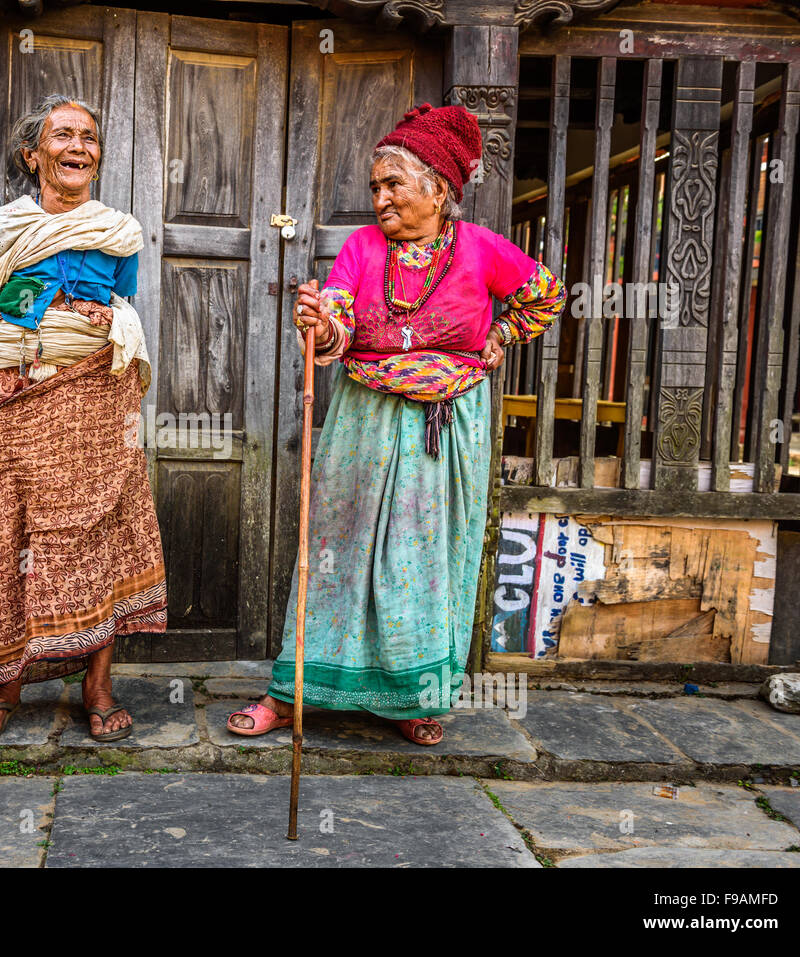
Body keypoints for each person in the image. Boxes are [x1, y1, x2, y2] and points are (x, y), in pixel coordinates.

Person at [227, 103, 565, 745]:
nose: (379, 198)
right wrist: (317, 321)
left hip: (447, 427)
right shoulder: (361, 247)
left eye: (393, 185)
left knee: (422, 558)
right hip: (366, 421)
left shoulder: (481, 249)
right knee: (338, 550)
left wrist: (498, 337)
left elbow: (544, 295)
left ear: (439, 190)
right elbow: (339, 316)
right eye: (375, 185)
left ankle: (413, 697)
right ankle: (294, 691)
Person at [0, 94, 167, 742]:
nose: (79, 147)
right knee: (19, 531)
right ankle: (12, 675)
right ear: (33, 154)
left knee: (100, 528)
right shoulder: (9, 229)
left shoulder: (120, 231)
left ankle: (97, 683)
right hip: (23, 394)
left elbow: (124, 304)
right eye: (64, 135)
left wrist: (110, 318)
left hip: (98, 396)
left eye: (89, 137)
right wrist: (29, 330)